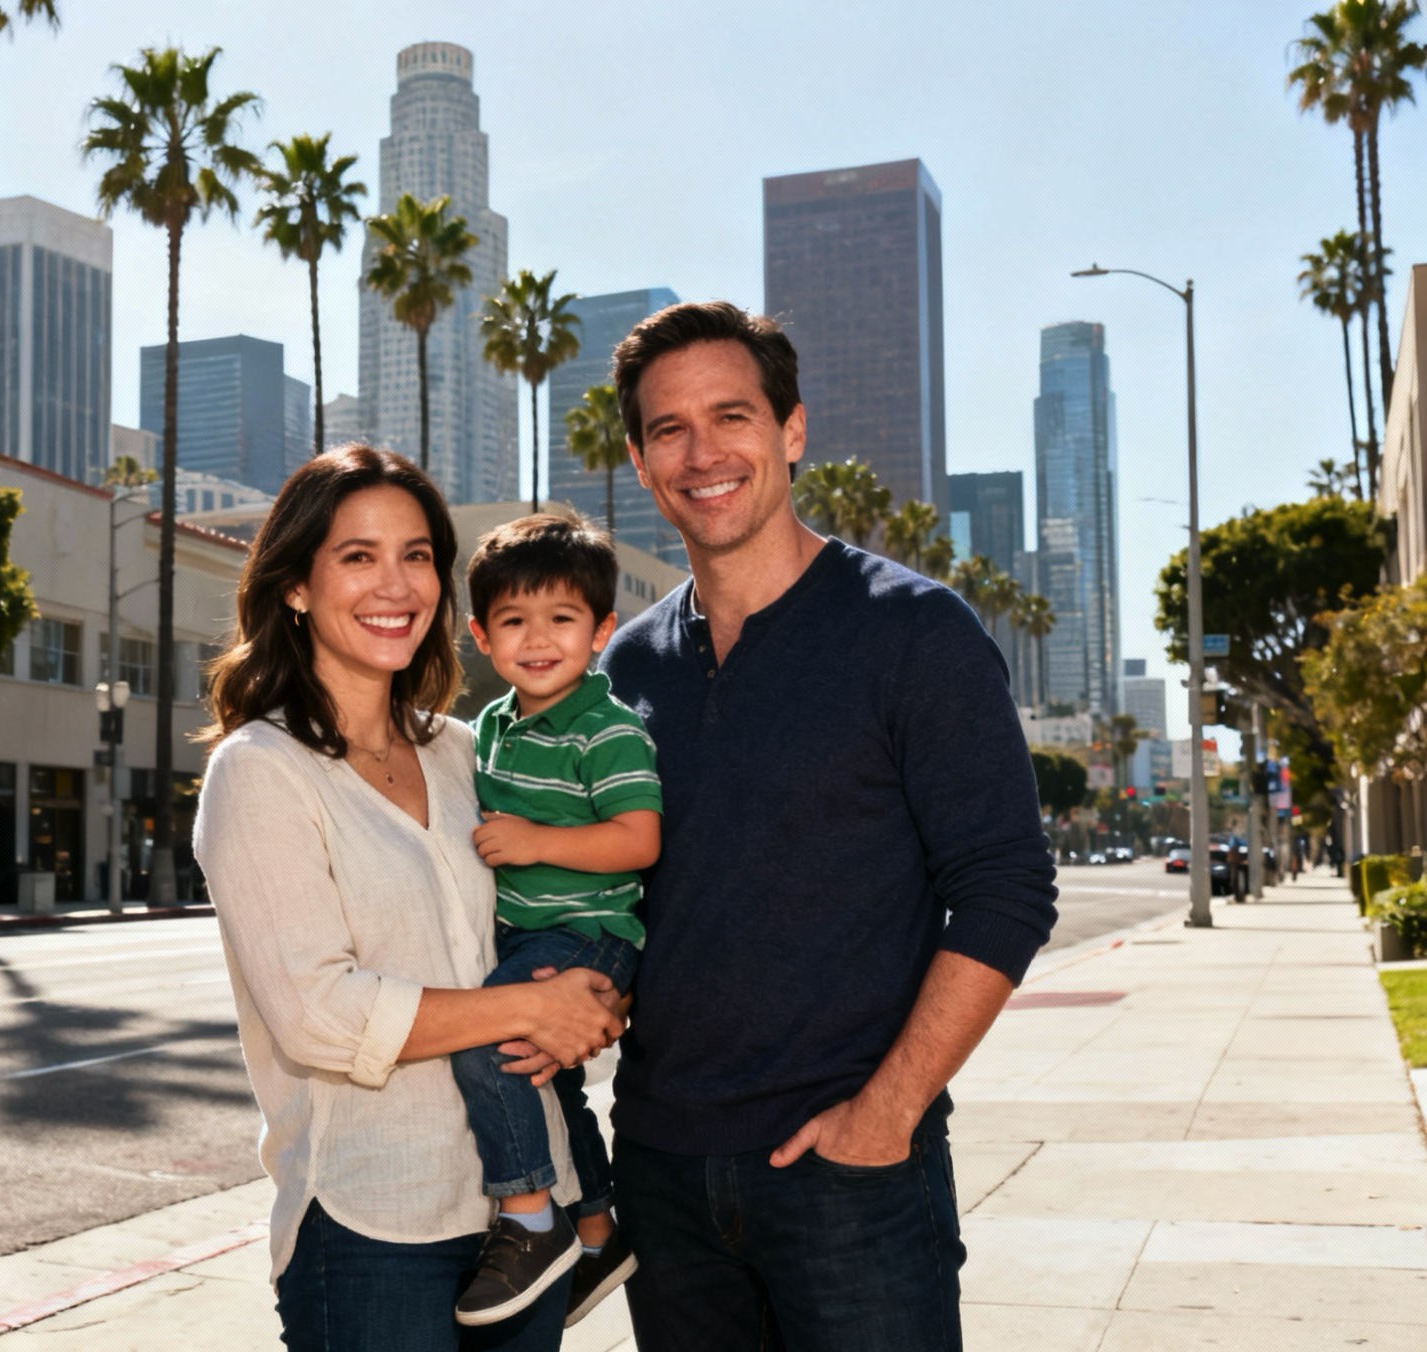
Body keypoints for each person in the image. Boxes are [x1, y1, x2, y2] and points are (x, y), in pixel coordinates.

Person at [595, 302, 1060, 1350]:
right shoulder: (624, 669)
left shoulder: (912, 630)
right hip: (665, 1178)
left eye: (731, 416)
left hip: (852, 1181)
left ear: (792, 429)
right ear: (637, 457)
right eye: (669, 428)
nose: (702, 452)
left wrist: (886, 1112)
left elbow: (1006, 886)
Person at [192, 446, 624, 1352]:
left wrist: (598, 997)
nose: (396, 585)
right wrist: (531, 1007)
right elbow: (319, 1016)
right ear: (297, 585)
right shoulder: (260, 771)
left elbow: (564, 901)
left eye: (417, 554)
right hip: (372, 1225)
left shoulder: (468, 751)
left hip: (526, 1225)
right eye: (358, 556)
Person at [452, 514, 662, 1329]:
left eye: (562, 619)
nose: (537, 639)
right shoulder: (494, 725)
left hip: (588, 933)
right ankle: (600, 1231)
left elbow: (639, 840)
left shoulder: (604, 728)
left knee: (488, 1039)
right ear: (481, 634)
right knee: (553, 1084)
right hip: (531, 933)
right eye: (513, 621)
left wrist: (536, 839)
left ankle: (531, 1216)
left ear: (602, 629)